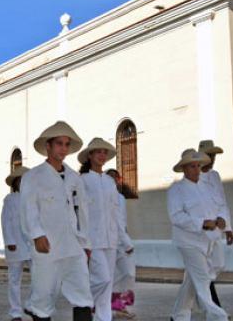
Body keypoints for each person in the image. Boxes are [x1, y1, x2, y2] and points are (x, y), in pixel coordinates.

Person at [20, 121, 94, 321]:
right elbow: (28, 208)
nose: (63, 149)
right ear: (48, 146)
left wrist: (86, 242)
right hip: (47, 245)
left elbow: (83, 211)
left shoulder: (73, 177)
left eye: (66, 144)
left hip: (73, 245)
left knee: (83, 294)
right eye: (59, 144)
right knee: (43, 297)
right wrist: (36, 234)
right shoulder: (33, 176)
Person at [167, 148, 228, 321]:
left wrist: (222, 219)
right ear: (184, 169)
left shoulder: (208, 187)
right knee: (201, 280)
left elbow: (220, 205)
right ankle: (218, 316)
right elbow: (176, 216)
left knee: (215, 267)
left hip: (211, 239)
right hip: (189, 242)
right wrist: (201, 223)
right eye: (192, 166)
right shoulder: (176, 189)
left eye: (198, 166)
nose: (196, 170)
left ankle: (179, 314)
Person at [78, 138, 127, 321]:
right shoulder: (82, 180)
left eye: (104, 152)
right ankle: (82, 298)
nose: (101, 155)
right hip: (93, 239)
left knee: (109, 284)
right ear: (90, 155)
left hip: (111, 239)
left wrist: (122, 238)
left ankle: (103, 318)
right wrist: (83, 240)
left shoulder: (109, 181)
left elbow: (116, 212)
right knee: (103, 280)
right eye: (97, 151)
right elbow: (79, 212)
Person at [198, 140, 233, 308]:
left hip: (216, 230)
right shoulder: (194, 176)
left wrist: (227, 227)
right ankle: (213, 305)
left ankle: (204, 297)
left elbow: (222, 202)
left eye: (214, 156)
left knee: (218, 263)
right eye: (209, 155)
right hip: (200, 231)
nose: (212, 159)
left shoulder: (215, 176)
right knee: (202, 269)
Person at [1, 166, 32, 321]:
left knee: (39, 277)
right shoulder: (10, 199)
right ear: (15, 183)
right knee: (14, 279)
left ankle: (34, 306)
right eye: (21, 180)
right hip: (16, 243)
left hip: (33, 244)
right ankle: (15, 312)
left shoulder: (34, 198)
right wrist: (9, 241)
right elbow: (5, 221)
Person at [106, 169, 136, 320]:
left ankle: (120, 304)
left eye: (115, 178)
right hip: (111, 242)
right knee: (108, 277)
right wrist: (127, 242)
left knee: (128, 273)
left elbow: (121, 220)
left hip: (122, 241)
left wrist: (126, 236)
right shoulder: (105, 198)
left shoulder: (121, 198)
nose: (113, 181)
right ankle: (109, 306)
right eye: (109, 178)